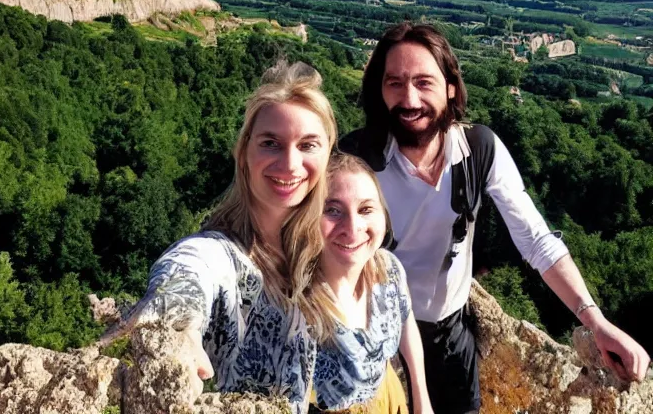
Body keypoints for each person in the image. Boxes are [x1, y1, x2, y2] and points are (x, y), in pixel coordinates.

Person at [339, 22, 650, 413]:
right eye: (394, 83)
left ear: (450, 87)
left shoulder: (478, 151)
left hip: (450, 336)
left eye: (424, 82)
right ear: (379, 90)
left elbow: (536, 240)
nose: (410, 98)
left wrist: (596, 322)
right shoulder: (356, 162)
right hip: (374, 335)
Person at [99, 59, 338, 413]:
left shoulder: (329, 245)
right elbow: (192, 266)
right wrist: (179, 327)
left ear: (328, 153)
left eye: (308, 145)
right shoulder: (221, 252)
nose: (289, 163)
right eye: (271, 142)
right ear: (243, 153)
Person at [309, 152, 433, 414]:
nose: (353, 228)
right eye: (332, 210)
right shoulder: (297, 303)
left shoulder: (387, 267)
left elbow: (405, 322)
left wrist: (421, 398)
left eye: (366, 209)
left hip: (389, 396)